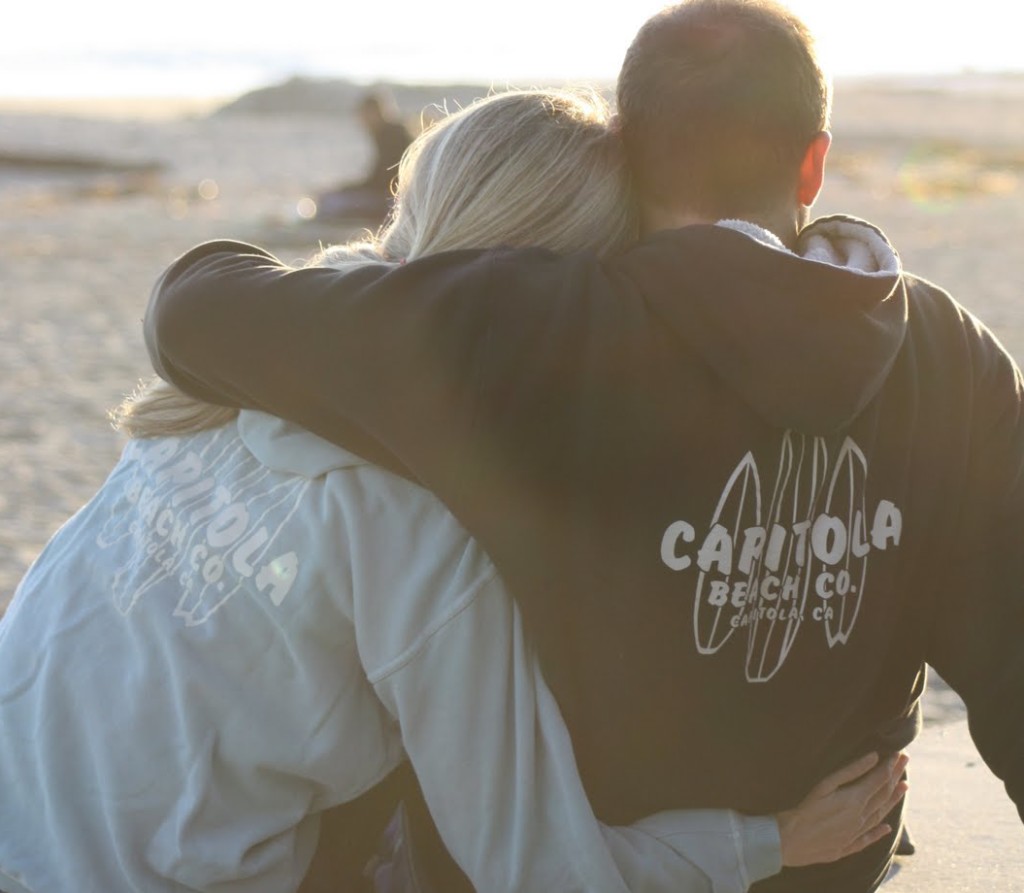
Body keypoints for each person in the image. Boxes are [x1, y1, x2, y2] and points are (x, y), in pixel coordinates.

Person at [0, 88, 904, 893]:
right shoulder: (426, 522)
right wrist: (769, 841)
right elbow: (537, 865)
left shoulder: (236, 368)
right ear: (567, 285)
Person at [315, 90, 413, 224]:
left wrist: (347, 189)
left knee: (331, 202)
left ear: (375, 113)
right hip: (397, 199)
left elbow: (382, 181)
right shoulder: (390, 132)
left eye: (364, 115)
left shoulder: (391, 136)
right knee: (332, 199)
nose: (362, 121)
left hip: (394, 202)